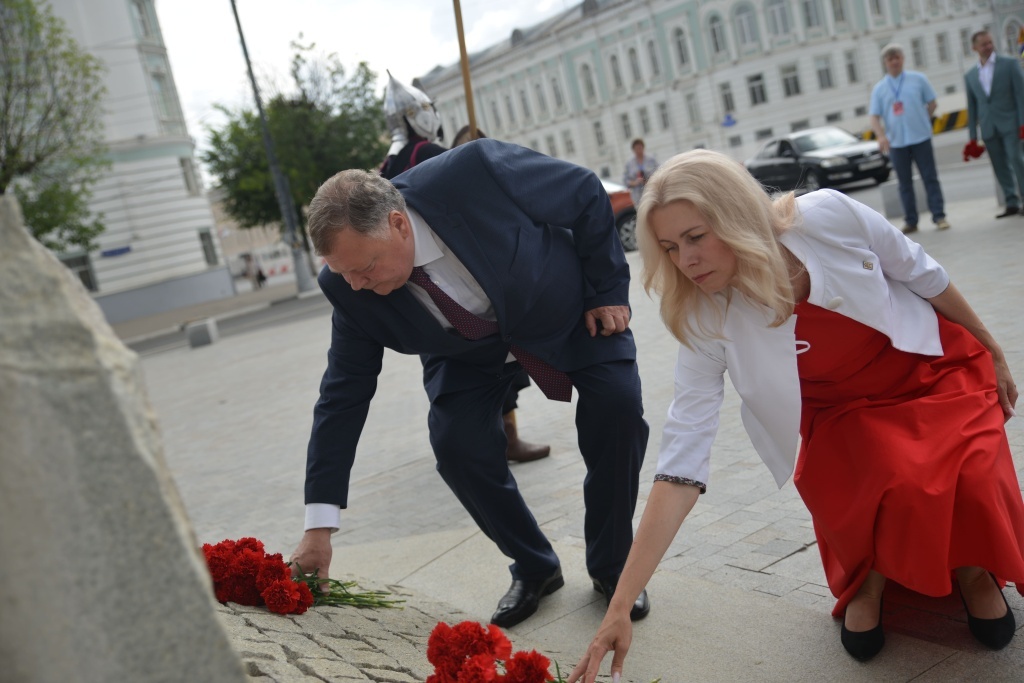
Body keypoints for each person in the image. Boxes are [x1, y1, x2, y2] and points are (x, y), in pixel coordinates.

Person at [568, 149, 1024, 681]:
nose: (685, 261)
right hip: (839, 410)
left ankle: (974, 570)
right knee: (890, 473)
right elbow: (681, 464)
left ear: (736, 214)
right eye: (669, 248)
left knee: (964, 471)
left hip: (928, 370)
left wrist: (990, 347)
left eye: (696, 236)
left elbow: (922, 272)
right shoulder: (703, 316)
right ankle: (868, 578)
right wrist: (619, 607)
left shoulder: (828, 215)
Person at [289, 138, 652, 630]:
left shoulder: (475, 172)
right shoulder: (348, 287)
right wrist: (319, 524)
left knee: (618, 410)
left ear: (398, 224)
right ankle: (535, 566)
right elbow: (342, 395)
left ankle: (613, 566)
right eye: (342, 273)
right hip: (466, 353)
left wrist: (608, 289)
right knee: (457, 445)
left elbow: (584, 192)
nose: (355, 285)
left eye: (364, 267)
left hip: (562, 308)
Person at [381, 75, 549, 463]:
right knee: (495, 356)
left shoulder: (386, 164)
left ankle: (486, 440)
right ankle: (502, 439)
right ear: (422, 114)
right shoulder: (429, 151)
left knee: (451, 368)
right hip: (455, 275)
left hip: (421, 293)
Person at [869, 43, 950, 233]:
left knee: (930, 177)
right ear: (885, 63)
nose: (894, 61)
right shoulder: (879, 89)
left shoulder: (918, 79)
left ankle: (939, 216)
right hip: (897, 142)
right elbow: (873, 116)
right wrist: (881, 136)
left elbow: (932, 103)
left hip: (920, 137)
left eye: (897, 57)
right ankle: (911, 221)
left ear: (903, 59)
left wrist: (924, 120)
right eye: (890, 59)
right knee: (904, 183)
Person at [965, 30, 1024, 219]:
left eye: (990, 42)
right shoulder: (970, 75)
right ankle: (1011, 202)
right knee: (999, 166)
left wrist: (1022, 123)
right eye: (983, 44)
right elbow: (972, 107)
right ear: (975, 48)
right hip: (989, 127)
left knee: (1017, 160)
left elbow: (1020, 95)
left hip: (1011, 124)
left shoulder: (1009, 64)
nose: (988, 46)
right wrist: (973, 138)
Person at [623, 138, 657, 206]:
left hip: (652, 192)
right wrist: (635, 182)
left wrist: (649, 180)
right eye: (636, 148)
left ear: (643, 147)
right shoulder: (629, 163)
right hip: (637, 196)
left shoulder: (651, 160)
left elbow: (659, 172)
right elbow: (625, 180)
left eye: (640, 148)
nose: (638, 150)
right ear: (633, 150)